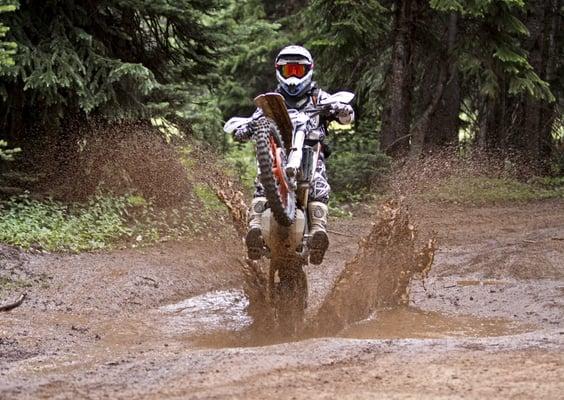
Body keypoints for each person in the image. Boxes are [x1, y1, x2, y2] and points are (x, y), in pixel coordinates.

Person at [232, 45, 354, 264]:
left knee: (318, 181)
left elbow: (346, 117)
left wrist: (342, 110)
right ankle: (256, 228)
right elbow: (253, 120)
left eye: (298, 71)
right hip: (279, 154)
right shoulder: (272, 101)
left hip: (310, 151)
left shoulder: (319, 98)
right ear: (279, 70)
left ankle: (318, 231)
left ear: (308, 70)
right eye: (289, 71)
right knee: (262, 180)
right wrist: (245, 128)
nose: (293, 77)